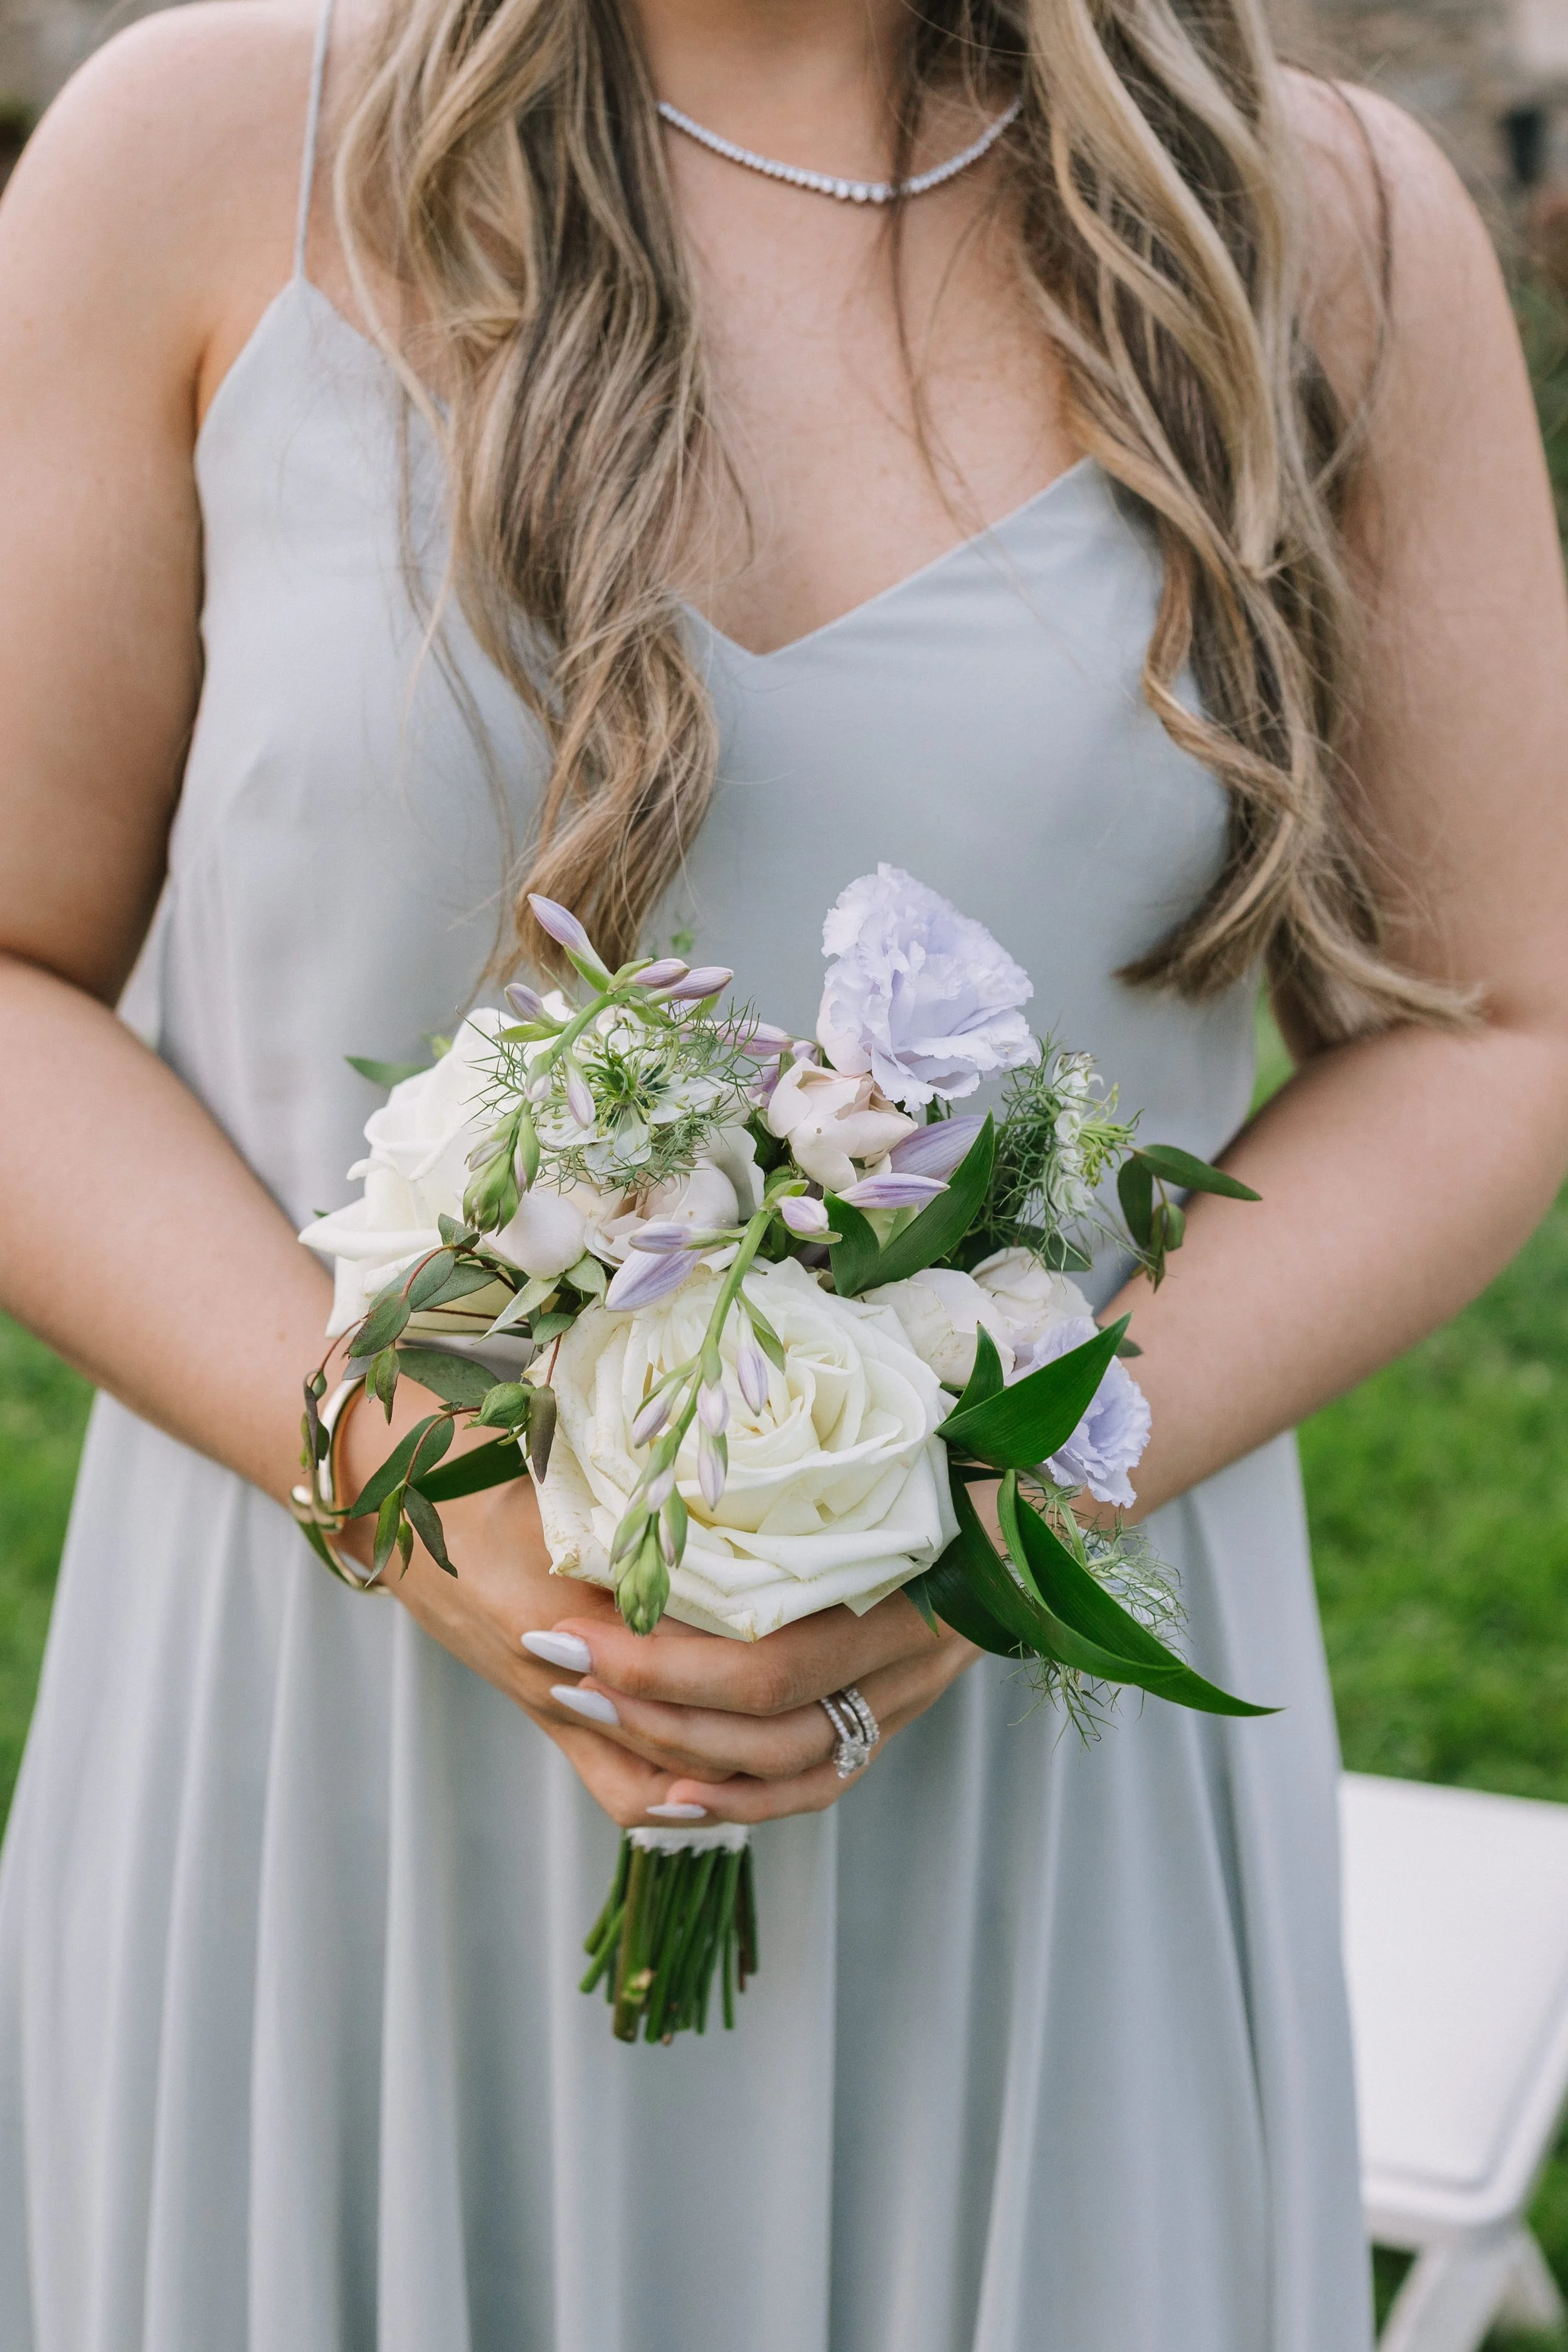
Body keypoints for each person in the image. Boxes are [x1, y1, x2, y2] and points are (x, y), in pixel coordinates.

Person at [1, 0, 1565, 2334]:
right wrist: (389, 1457)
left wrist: (1009, 1502)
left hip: (1025, 1807)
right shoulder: (203, 151)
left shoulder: (1317, 229)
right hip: (327, 1795)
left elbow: (1496, 1034)